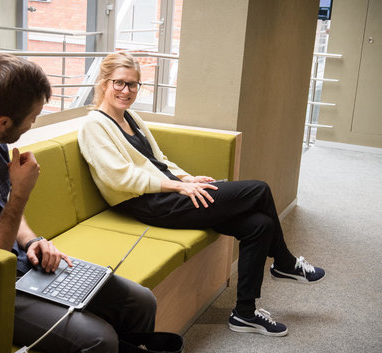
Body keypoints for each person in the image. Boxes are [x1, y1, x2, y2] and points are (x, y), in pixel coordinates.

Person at [78, 52, 325, 337]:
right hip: (148, 203)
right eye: (119, 83)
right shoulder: (94, 125)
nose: (127, 91)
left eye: (133, 85)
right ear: (103, 83)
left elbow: (159, 160)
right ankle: (284, 262)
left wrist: (186, 178)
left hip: (168, 192)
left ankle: (244, 313)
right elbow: (118, 177)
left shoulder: (130, 117)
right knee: (259, 190)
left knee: (260, 226)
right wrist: (178, 187)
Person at [0, 53, 156, 353]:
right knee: (99, 341)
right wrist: (22, 195)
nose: (33, 125)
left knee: (140, 301)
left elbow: (4, 211)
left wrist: (32, 241)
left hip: (27, 264)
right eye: (34, 117)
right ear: (4, 121)